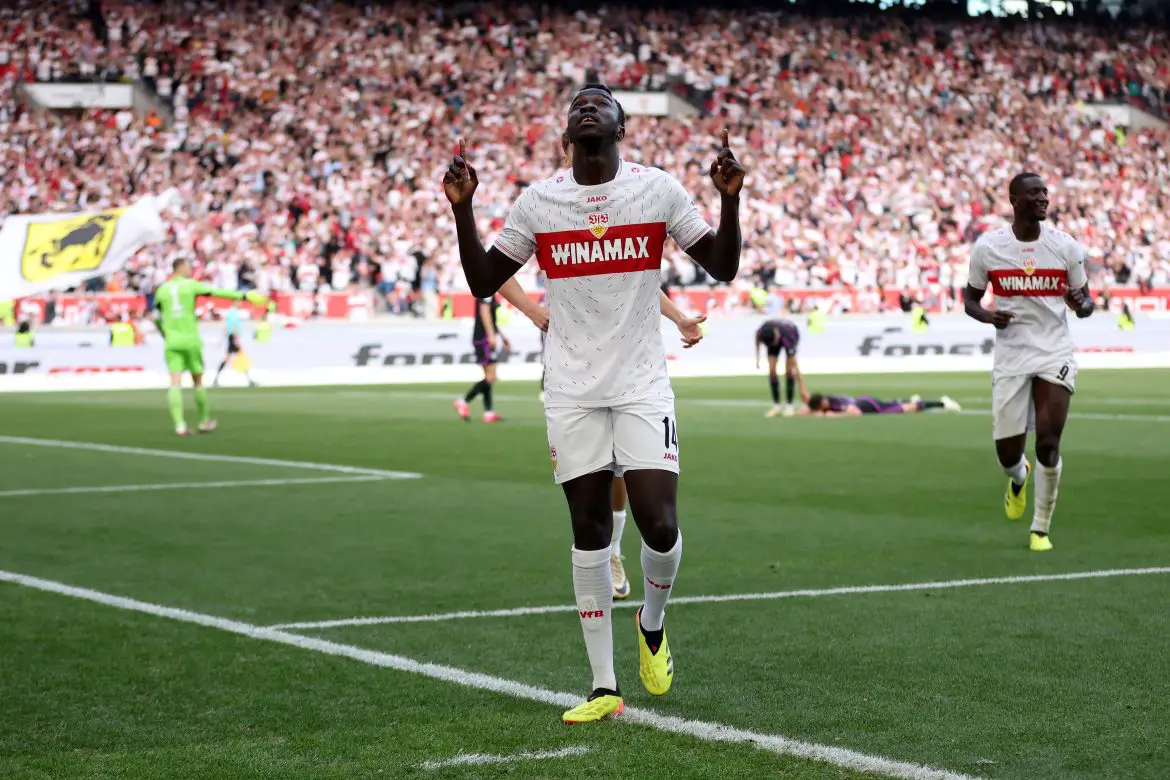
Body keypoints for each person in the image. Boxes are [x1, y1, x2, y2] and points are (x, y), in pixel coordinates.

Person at [443, 83, 744, 724]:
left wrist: (728, 199)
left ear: (620, 126)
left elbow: (720, 265)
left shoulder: (657, 189)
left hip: (640, 381)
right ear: (566, 132)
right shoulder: (540, 201)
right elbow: (481, 281)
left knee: (659, 524)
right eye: (577, 101)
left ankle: (652, 623)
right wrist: (462, 211)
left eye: (600, 100)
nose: (587, 104)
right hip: (572, 390)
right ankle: (603, 685)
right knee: (590, 531)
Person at [963, 172, 1093, 552]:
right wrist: (988, 316)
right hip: (1012, 355)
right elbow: (970, 301)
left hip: (1055, 351)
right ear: (1014, 200)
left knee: (1049, 441)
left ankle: (1040, 529)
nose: (1043, 198)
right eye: (1034, 192)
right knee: (1007, 455)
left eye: (1045, 192)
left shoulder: (1065, 246)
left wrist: (1078, 303)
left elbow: (1086, 302)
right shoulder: (988, 248)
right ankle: (1018, 478)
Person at [153, 258, 268, 436]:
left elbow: (155, 316)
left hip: (172, 341)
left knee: (174, 383)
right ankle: (204, 420)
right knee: (197, 381)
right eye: (189, 266)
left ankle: (180, 425)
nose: (191, 270)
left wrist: (165, 333)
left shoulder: (162, 290)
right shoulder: (190, 285)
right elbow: (216, 292)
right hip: (190, 339)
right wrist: (244, 296)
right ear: (181, 267)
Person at [454, 294, 510, 423]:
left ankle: (488, 412)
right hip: (484, 338)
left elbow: (491, 317)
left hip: (483, 337)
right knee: (491, 376)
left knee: (488, 376)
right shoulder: (487, 291)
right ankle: (463, 401)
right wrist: (491, 335)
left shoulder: (488, 290)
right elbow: (484, 311)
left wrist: (501, 336)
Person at [755, 318, 803, 417]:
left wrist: (802, 388)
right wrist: (758, 359)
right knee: (772, 370)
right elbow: (757, 341)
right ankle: (776, 406)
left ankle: (789, 406)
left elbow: (794, 364)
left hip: (790, 334)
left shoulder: (788, 335)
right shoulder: (762, 332)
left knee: (789, 371)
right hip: (774, 336)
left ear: (777, 335)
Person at [798, 392, 961, 416]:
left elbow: (854, 412)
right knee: (894, 404)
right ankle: (912, 400)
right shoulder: (826, 402)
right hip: (865, 401)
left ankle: (942, 403)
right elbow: (806, 410)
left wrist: (831, 416)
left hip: (867, 406)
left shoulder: (835, 403)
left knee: (907, 409)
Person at [213, 301, 256, 387]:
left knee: (230, 358)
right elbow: (233, 326)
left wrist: (221, 340)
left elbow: (226, 326)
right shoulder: (234, 313)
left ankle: (216, 379)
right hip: (233, 338)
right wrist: (236, 340)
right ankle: (249, 379)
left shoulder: (231, 312)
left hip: (231, 337)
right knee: (241, 357)